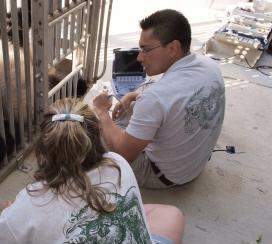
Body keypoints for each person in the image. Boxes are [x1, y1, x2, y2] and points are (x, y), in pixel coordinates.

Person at [0, 98, 184, 244]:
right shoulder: (118, 162)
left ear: (42, 151)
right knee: (172, 214)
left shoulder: (31, 203)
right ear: (97, 137)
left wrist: (13, 217)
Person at [93, 9, 225, 189]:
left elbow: (123, 153)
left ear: (173, 48)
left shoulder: (156, 97)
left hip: (163, 175)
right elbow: (174, 99)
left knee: (91, 134)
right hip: (194, 164)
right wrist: (132, 96)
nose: (139, 58)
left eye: (145, 50)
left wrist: (101, 112)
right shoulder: (209, 66)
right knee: (141, 97)